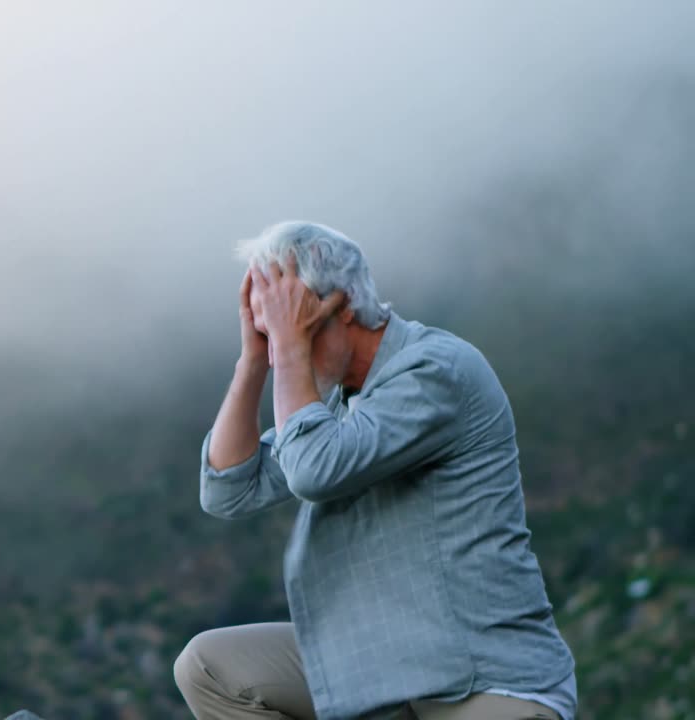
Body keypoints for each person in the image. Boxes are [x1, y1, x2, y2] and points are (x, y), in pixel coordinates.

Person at [173, 221, 576, 720]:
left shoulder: (434, 371)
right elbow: (229, 490)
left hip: (486, 683)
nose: (281, 353)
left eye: (288, 329)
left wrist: (292, 353)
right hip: (385, 675)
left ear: (341, 306)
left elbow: (313, 471)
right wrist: (253, 361)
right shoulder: (338, 403)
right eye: (268, 335)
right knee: (208, 667)